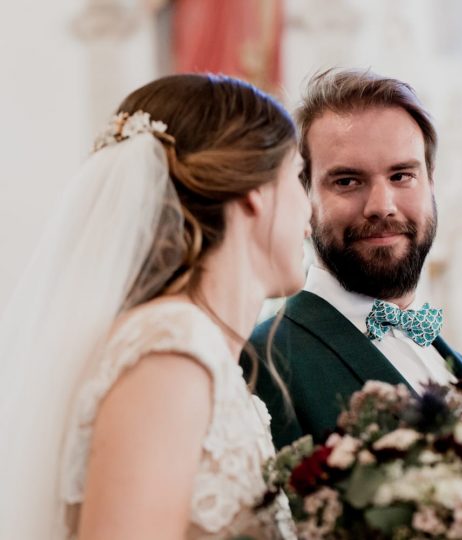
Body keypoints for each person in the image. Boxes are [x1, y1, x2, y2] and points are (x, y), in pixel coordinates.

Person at [0, 74, 310, 539]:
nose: (312, 211)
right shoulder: (171, 349)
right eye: (300, 178)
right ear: (256, 193)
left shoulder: (194, 349)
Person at [246, 69, 462, 447]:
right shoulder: (264, 365)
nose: (382, 206)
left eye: (402, 175)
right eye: (347, 181)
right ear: (303, 193)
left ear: (431, 182)